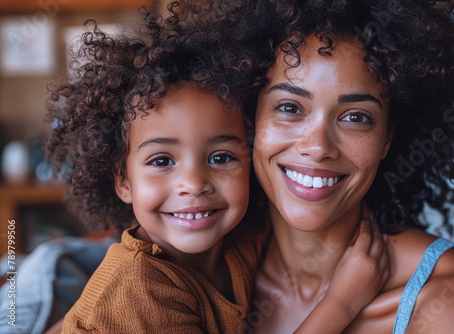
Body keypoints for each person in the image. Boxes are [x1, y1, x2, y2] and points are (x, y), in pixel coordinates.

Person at [44, 3, 389, 333]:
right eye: (162, 161)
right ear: (122, 180)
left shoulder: (241, 238)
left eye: (221, 157)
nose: (194, 184)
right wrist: (341, 304)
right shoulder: (139, 290)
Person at [240, 0, 454, 333]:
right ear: (252, 120)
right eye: (290, 107)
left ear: (388, 137)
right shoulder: (201, 275)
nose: (318, 147)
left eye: (356, 117)